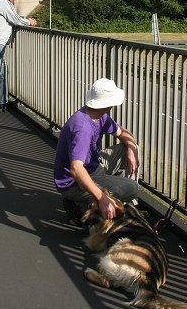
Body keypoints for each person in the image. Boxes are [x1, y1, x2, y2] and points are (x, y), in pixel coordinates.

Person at [53, 78, 140, 224]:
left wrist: (131, 149)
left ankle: (108, 197)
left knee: (130, 147)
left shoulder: (99, 116)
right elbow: (76, 168)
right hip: (74, 183)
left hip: (93, 166)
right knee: (132, 188)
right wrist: (101, 197)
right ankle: (84, 207)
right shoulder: (83, 130)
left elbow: (123, 133)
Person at [0, 0, 37, 113]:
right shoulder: (3, 4)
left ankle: (2, 101)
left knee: (0, 73)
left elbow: (13, 17)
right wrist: (28, 21)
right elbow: (15, 19)